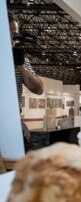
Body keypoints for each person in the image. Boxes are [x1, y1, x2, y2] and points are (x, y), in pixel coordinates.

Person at [9, 11, 43, 151]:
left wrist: (22, 69)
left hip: (12, 122)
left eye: (15, 33)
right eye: (9, 33)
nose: (14, 38)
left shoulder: (20, 60)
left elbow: (39, 89)